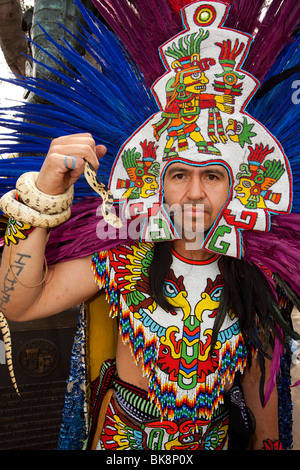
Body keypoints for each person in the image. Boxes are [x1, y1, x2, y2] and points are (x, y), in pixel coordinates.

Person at [0, 0, 298, 452]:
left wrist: (269, 440)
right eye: (179, 174)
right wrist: (43, 195)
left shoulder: (255, 270)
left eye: (213, 175)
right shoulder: (125, 255)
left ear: (241, 184)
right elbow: (21, 305)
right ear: (155, 182)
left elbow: (259, 375)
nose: (195, 193)